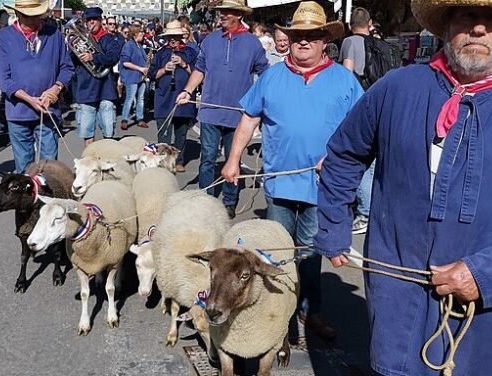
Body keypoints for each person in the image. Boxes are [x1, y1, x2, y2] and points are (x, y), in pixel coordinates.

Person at [315, 0, 492, 375]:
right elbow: (344, 156)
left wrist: (484, 273)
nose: (478, 29)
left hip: (486, 311)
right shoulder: (397, 89)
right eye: (467, 16)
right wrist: (334, 228)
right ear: (446, 26)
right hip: (399, 294)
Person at [222, 1, 362, 340]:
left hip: (322, 184)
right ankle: (277, 313)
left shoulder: (344, 80)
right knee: (277, 252)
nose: (304, 41)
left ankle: (310, 311)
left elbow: (362, 130)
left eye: (312, 36)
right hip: (278, 182)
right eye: (299, 35)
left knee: (312, 253)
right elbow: (249, 118)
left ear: (324, 40)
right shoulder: (272, 76)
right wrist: (233, 158)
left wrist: (340, 157)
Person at [176, 0, 268, 219]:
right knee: (207, 156)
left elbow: (265, 74)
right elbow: (199, 70)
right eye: (221, 12)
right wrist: (187, 91)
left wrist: (262, 101)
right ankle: (204, 198)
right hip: (210, 110)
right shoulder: (209, 41)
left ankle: (229, 201)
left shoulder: (253, 44)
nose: (222, 16)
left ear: (238, 14)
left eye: (227, 12)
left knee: (232, 159)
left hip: (238, 114)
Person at [0, 0, 74, 173]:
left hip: (48, 111)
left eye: (36, 15)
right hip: (18, 113)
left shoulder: (54, 35)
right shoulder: (4, 37)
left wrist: (55, 89)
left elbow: (67, 68)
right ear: (17, 14)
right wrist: (30, 100)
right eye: (27, 16)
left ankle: (49, 199)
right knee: (25, 169)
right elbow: (4, 79)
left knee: (50, 168)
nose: (33, 19)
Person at [340, 7, 376, 235]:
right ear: (369, 22)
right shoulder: (377, 42)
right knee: (373, 161)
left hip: (358, 104)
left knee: (357, 157)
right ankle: (369, 207)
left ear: (350, 24)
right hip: (378, 103)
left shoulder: (350, 42)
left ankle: (364, 211)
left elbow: (347, 72)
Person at [150, 20, 197, 173]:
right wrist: (164, 69)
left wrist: (183, 64)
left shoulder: (190, 52)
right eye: (170, 36)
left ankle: (178, 160)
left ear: (180, 37)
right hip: (164, 98)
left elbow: (198, 73)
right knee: (163, 133)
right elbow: (151, 74)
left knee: (181, 133)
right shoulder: (161, 53)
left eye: (175, 36)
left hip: (183, 99)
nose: (172, 39)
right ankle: (163, 161)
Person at [73, 7, 123, 146]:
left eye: (95, 19)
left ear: (101, 21)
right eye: (88, 20)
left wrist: (93, 57)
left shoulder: (109, 39)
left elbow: (113, 58)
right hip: (86, 88)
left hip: (106, 88)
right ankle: (91, 161)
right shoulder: (80, 39)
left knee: (108, 130)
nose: (91, 22)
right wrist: (75, 51)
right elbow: (71, 60)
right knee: (87, 130)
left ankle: (106, 159)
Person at [119, 25, 148, 130]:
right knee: (130, 98)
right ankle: (124, 120)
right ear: (136, 33)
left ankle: (140, 118)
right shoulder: (129, 45)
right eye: (141, 32)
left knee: (141, 99)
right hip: (132, 76)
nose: (143, 34)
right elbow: (125, 62)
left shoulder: (139, 46)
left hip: (141, 77)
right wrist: (140, 68)